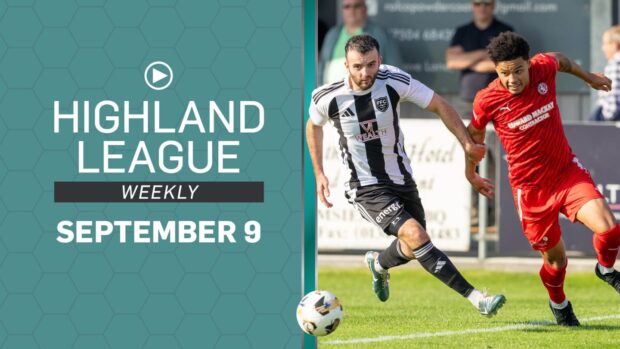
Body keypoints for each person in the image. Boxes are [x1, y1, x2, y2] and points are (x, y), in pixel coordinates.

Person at [307, 34, 506, 317]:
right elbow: (312, 126)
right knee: (416, 234)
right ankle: (477, 298)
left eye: (371, 65)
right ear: (347, 66)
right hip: (364, 186)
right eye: (358, 67)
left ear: (380, 60)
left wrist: (466, 143)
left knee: (413, 246)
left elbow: (439, 105)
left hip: (401, 178)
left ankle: (378, 264)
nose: (366, 73)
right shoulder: (327, 96)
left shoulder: (393, 80)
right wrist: (319, 173)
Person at [466, 32, 619, 327]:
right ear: (496, 70)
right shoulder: (486, 100)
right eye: (504, 73)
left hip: (566, 173)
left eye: (518, 70)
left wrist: (588, 78)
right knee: (556, 261)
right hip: (531, 191)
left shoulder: (543, 67)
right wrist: (470, 171)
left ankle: (606, 269)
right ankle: (559, 303)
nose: (513, 79)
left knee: (610, 231)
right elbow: (474, 138)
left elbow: (562, 60)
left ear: (528, 63)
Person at [446, 0, 513, 115]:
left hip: (499, 98)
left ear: (493, 5)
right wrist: (484, 53)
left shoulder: (505, 31)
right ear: (472, 5)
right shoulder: (462, 31)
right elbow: (452, 62)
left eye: (486, 3)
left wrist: (466, 60)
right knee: (465, 133)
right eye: (478, 3)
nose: (482, 7)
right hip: (468, 99)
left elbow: (507, 64)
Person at [319, 0, 402, 85]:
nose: (352, 10)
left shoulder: (380, 34)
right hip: (333, 94)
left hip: (370, 95)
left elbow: (395, 70)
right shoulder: (332, 34)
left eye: (357, 6)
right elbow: (322, 68)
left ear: (365, 9)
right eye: (347, 7)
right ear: (342, 11)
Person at [592, 25, 620, 121]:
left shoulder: (615, 63)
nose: (603, 48)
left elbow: (613, 96)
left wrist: (606, 118)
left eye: (605, 44)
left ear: (614, 45)